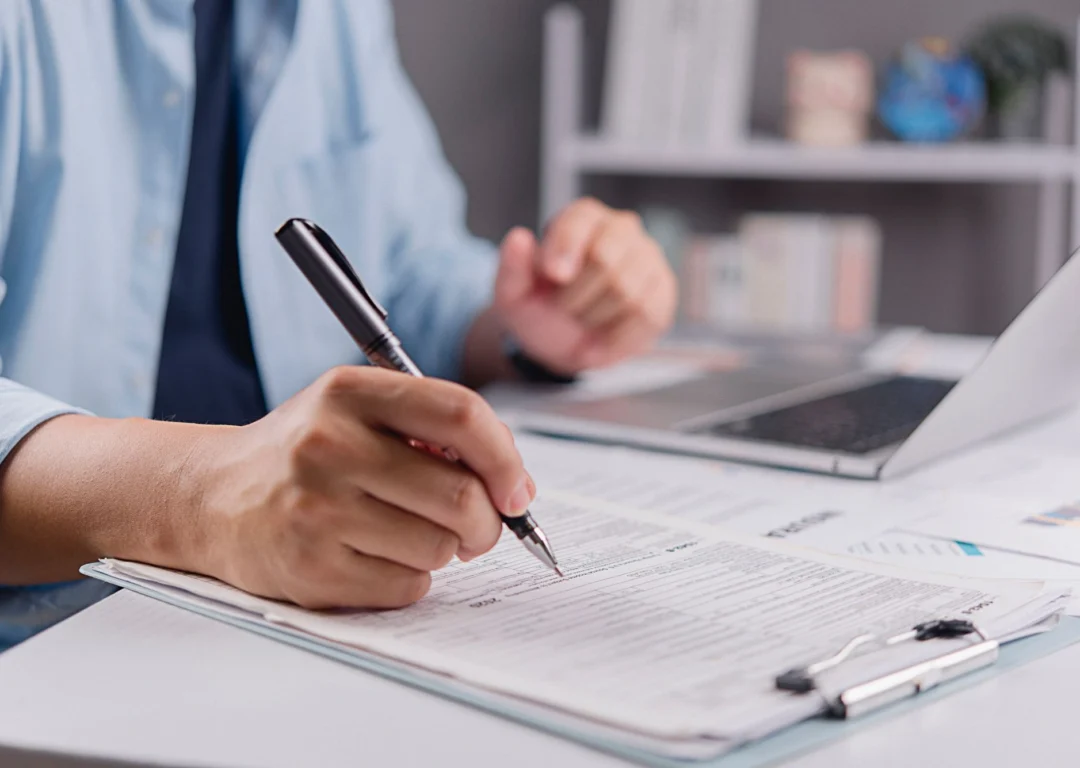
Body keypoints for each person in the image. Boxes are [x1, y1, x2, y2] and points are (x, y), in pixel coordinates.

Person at [0, 0, 676, 649]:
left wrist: (527, 321)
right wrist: (199, 499)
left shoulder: (336, 12)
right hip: (55, 647)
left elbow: (413, 272)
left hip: (289, 614)